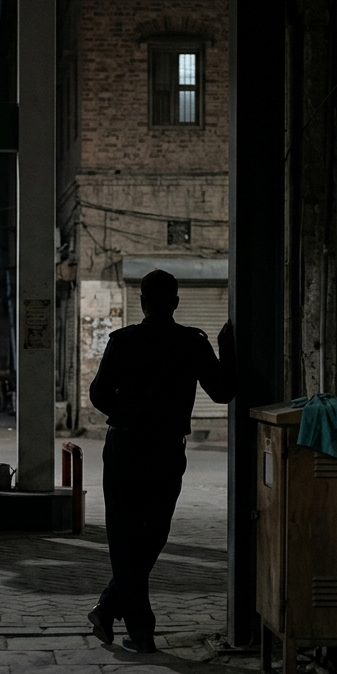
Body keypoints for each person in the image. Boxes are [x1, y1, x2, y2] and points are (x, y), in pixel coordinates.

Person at [87, 269, 236, 653]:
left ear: (142, 302)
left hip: (125, 447)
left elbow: (99, 394)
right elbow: (222, 392)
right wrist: (229, 348)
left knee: (125, 537)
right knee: (153, 533)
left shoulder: (123, 341)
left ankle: (115, 613)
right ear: (175, 302)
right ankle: (136, 628)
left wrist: (130, 413)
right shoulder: (192, 343)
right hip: (167, 449)